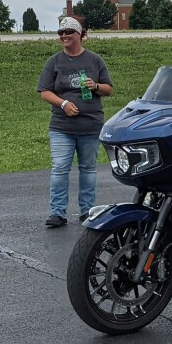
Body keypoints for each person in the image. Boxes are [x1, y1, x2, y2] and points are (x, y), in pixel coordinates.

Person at [37, 17, 114, 227]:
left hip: (90, 125)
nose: (64, 36)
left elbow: (108, 89)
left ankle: (87, 212)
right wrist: (63, 104)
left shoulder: (94, 60)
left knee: (88, 169)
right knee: (60, 167)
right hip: (62, 126)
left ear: (80, 34)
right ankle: (57, 213)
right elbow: (45, 92)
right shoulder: (54, 61)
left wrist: (95, 85)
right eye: (60, 33)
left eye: (68, 32)